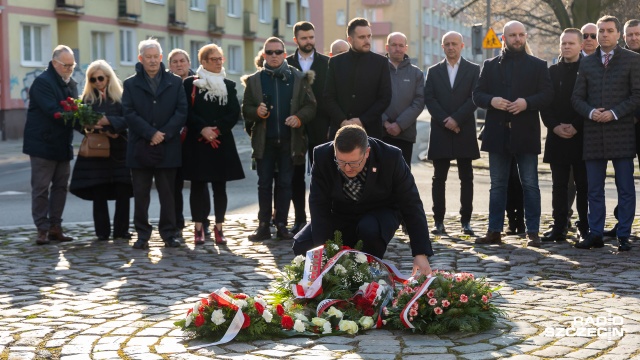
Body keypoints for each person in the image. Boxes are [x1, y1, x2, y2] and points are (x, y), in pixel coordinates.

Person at [292, 125, 433, 276]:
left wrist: (420, 253)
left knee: (369, 229)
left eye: (353, 163)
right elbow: (318, 204)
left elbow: (411, 203)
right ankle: (332, 278)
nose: (347, 168)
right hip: (341, 212)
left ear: (367, 152)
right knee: (303, 245)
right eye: (340, 162)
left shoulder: (390, 157)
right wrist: (323, 252)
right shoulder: (321, 155)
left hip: (379, 212)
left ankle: (366, 276)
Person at [472, 20, 553, 247]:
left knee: (530, 184)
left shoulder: (538, 65)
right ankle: (494, 231)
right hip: (497, 134)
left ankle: (533, 231)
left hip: (526, 134)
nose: (518, 39)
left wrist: (527, 103)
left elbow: (547, 94)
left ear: (525, 37)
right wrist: (492, 101)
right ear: (503, 38)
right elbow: (477, 95)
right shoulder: (490, 65)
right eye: (513, 35)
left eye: (521, 35)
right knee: (497, 184)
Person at [572, 15, 640, 252]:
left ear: (618, 34)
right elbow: (576, 98)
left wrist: (613, 113)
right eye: (601, 30)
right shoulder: (587, 63)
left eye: (609, 30)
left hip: (621, 132)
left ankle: (623, 234)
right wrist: (591, 113)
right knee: (594, 188)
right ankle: (596, 233)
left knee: (625, 187)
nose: (604, 34)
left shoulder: (633, 60)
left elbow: (637, 95)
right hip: (593, 133)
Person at [242, 37, 317, 241]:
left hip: (289, 141)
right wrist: (256, 111)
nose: (273, 56)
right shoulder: (255, 80)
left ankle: (282, 224)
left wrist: (299, 118)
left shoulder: (298, 78)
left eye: (277, 52)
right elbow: (246, 108)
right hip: (264, 142)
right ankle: (264, 225)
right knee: (264, 184)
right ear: (264, 55)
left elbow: (311, 106)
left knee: (285, 183)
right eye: (269, 52)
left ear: (285, 54)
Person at [122, 38, 188, 249]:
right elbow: (128, 112)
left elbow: (181, 111)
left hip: (167, 146)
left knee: (168, 194)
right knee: (141, 195)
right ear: (141, 59)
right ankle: (142, 234)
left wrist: (164, 133)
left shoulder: (175, 81)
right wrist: (150, 133)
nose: (152, 61)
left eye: (155, 57)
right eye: (147, 57)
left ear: (161, 58)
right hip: (140, 146)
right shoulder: (130, 83)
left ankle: (169, 233)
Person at [182, 44, 244, 245]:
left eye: (220, 58)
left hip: (221, 142)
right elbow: (186, 112)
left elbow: (234, 113)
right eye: (214, 59)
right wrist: (203, 129)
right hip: (197, 141)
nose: (219, 62)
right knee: (198, 187)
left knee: (220, 187)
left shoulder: (229, 84)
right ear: (204, 62)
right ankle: (198, 228)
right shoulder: (191, 84)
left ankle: (219, 228)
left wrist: (216, 130)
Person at [69, 60, 133, 241]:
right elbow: (77, 122)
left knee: (123, 190)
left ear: (108, 78)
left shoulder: (121, 97)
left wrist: (109, 124)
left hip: (119, 148)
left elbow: (129, 118)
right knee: (99, 191)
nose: (97, 82)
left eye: (100, 78)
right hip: (96, 151)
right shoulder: (87, 99)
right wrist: (93, 128)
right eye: (93, 79)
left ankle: (121, 231)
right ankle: (102, 232)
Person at [424, 31, 480, 236]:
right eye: (446, 44)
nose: (450, 47)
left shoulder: (473, 70)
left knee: (467, 177)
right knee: (439, 178)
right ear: (442, 47)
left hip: (464, 129)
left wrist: (457, 119)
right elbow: (429, 98)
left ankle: (466, 221)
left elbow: (475, 97)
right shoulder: (433, 71)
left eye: (454, 43)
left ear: (462, 45)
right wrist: (446, 121)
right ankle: (438, 221)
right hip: (441, 130)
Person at [23, 45, 78, 245]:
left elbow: (75, 111)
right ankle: (42, 229)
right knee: (41, 188)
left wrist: (87, 126)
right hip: (42, 144)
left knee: (61, 188)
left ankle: (56, 227)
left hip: (62, 144)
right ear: (55, 63)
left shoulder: (71, 83)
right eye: (66, 65)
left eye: (72, 65)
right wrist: (82, 122)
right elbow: (54, 112)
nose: (70, 69)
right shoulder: (42, 83)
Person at [540, 28, 589, 243]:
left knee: (583, 184)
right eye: (564, 43)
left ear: (580, 46)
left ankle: (584, 226)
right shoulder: (551, 72)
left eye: (571, 43)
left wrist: (576, 125)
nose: (567, 46)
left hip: (582, 135)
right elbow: (545, 104)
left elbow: (592, 101)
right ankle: (559, 225)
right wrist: (554, 127)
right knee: (559, 185)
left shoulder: (588, 69)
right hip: (557, 135)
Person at [286, 21, 330, 234]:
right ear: (296, 40)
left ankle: (318, 219)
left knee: (319, 176)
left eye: (311, 37)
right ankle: (299, 219)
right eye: (304, 38)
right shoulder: (286, 63)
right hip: (294, 130)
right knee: (295, 176)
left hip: (321, 129)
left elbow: (331, 96)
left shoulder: (327, 63)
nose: (309, 41)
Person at [602, 19, 640, 238]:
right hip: (621, 128)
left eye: (637, 34)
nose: (634, 38)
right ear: (623, 36)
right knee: (622, 180)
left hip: (633, 123)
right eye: (630, 34)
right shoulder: (618, 59)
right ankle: (622, 223)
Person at [324, 17, 392, 139]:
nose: (367, 40)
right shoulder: (335, 62)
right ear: (350, 39)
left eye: (369, 36)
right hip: (340, 131)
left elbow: (385, 98)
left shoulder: (380, 62)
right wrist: (343, 121)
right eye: (362, 37)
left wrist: (362, 120)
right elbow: (328, 96)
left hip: (369, 131)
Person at [382, 32, 424, 168]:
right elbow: (371, 99)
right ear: (387, 47)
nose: (397, 49)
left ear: (406, 48)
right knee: (381, 176)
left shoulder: (416, 73)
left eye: (401, 45)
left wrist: (399, 125)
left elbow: (419, 102)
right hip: (381, 133)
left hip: (405, 134)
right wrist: (385, 123)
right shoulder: (378, 70)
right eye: (394, 45)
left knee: (403, 176)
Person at [167, 48, 196, 240]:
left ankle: (201, 221)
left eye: (182, 61)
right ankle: (176, 221)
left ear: (188, 63)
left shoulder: (198, 82)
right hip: (174, 139)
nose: (179, 64)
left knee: (199, 184)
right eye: (175, 61)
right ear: (170, 65)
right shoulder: (167, 83)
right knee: (174, 184)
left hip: (195, 138)